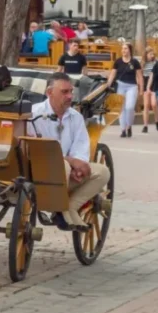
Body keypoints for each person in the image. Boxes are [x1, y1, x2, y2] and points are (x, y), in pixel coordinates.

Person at [28, 72, 110, 229]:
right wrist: (71, 162)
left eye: (71, 91)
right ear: (49, 93)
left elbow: (81, 147)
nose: (70, 96)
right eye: (64, 92)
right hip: (41, 172)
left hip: (68, 173)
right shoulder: (33, 113)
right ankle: (60, 209)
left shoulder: (76, 117)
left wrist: (77, 167)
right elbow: (32, 149)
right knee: (62, 166)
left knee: (103, 172)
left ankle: (71, 206)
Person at [105, 42, 142, 138]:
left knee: (129, 107)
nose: (123, 50)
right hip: (120, 85)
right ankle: (123, 129)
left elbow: (139, 76)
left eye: (125, 48)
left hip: (132, 86)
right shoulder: (118, 61)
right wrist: (108, 84)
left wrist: (141, 89)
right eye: (122, 49)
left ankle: (129, 125)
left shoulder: (135, 62)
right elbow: (113, 74)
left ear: (130, 50)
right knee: (121, 108)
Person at [140, 48, 158, 133]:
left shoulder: (156, 63)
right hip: (145, 82)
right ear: (146, 55)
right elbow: (139, 75)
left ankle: (157, 121)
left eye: (153, 54)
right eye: (150, 54)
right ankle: (145, 125)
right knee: (146, 105)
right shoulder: (143, 64)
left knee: (154, 104)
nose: (152, 56)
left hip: (154, 83)